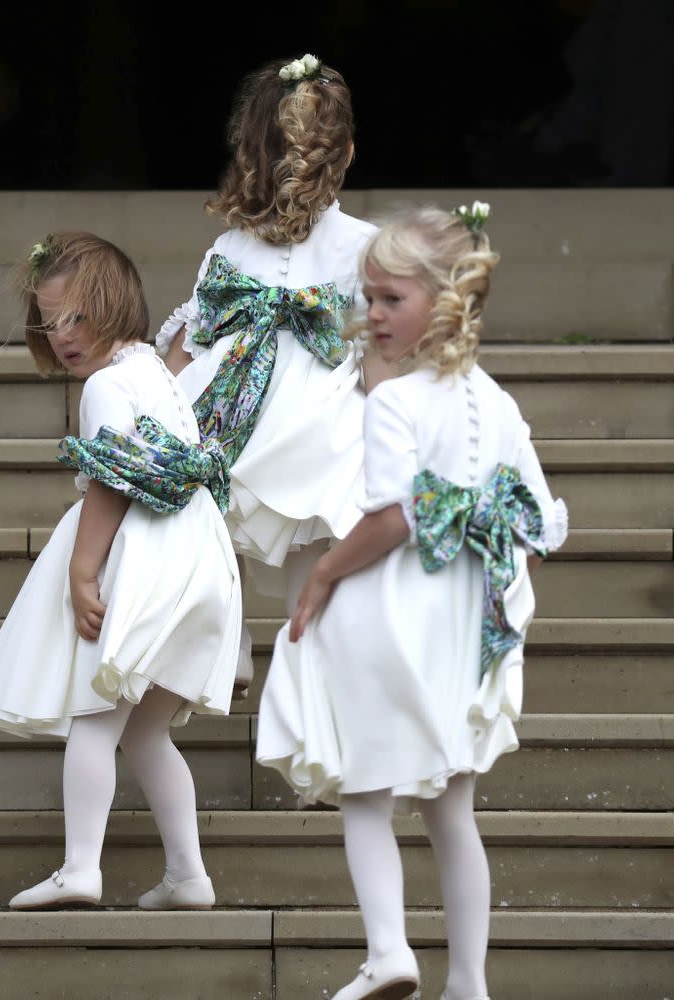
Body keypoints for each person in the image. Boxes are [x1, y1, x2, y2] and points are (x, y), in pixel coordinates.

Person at [256, 204, 568, 1000]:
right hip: (461, 627)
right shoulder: (496, 403)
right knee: (451, 809)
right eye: (367, 298)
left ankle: (388, 949)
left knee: (364, 790)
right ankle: (468, 980)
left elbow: (394, 515)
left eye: (389, 299)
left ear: (444, 298)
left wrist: (324, 575)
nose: (371, 315)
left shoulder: (394, 402)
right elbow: (537, 521)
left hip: (387, 615)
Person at [0, 232, 241, 911]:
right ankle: (187, 874)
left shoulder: (109, 387)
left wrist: (83, 572)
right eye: (50, 322)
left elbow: (113, 482)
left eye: (76, 318)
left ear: (115, 306)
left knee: (94, 713)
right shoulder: (154, 375)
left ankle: (81, 866)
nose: (63, 336)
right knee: (144, 730)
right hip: (197, 560)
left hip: (143, 557)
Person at [156, 53, 385, 696]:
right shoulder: (367, 246)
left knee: (211, 510)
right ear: (346, 155)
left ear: (249, 154)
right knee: (313, 544)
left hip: (237, 418)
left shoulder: (230, 249)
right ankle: (305, 679)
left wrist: (158, 410)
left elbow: (191, 342)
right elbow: (383, 346)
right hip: (321, 431)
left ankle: (227, 646)